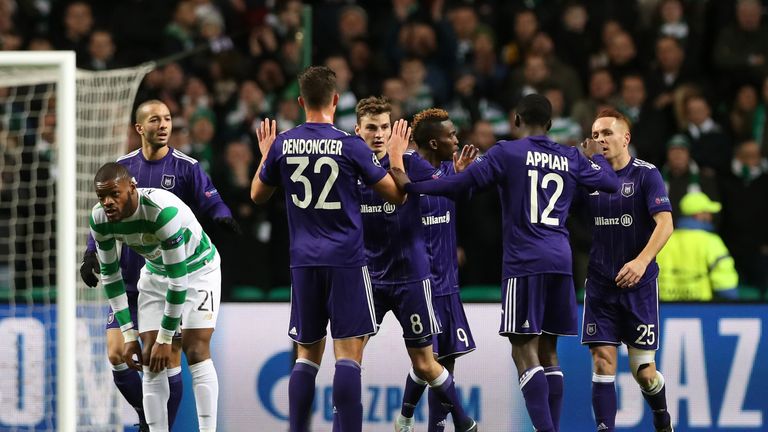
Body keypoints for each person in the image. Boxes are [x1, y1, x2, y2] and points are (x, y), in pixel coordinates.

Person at [390, 94, 620, 432]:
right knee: (549, 351)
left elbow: (459, 184)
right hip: (561, 259)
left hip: (524, 262)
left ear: (515, 119)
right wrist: (592, 158)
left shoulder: (507, 152)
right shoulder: (570, 155)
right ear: (551, 124)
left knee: (522, 349)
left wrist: (411, 184)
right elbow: (611, 183)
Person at [248, 66, 407, 432]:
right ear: (336, 100)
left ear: (301, 101)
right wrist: (396, 155)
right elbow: (396, 196)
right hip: (347, 261)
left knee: (306, 355)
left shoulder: (283, 144)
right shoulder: (349, 144)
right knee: (348, 356)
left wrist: (265, 155)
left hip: (303, 262)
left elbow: (257, 195)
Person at [79, 99, 237, 431]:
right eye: (155, 120)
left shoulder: (179, 179)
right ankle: (149, 423)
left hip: (191, 268)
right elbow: (109, 266)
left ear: (131, 190)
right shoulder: (115, 180)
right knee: (131, 356)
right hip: (145, 272)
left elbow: (210, 203)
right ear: (140, 128)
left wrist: (222, 216)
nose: (164, 125)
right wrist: (91, 251)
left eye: (167, 119)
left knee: (189, 351)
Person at [353, 97, 477, 432]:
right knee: (351, 359)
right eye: (371, 128)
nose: (378, 134)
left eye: (384, 127)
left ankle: (437, 423)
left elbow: (449, 184)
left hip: (420, 277)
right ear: (358, 130)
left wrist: (460, 177)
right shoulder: (355, 165)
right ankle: (397, 419)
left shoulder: (413, 163)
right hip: (372, 277)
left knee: (433, 360)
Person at [89, 162, 221, 432]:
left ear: (132, 188)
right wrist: (128, 335)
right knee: (149, 357)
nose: (108, 203)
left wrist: (165, 337)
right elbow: (111, 278)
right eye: (102, 197)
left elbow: (179, 280)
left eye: (114, 194)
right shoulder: (100, 219)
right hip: (156, 271)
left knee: (195, 349)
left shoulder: (162, 212)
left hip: (198, 269)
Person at [580, 109, 674, 432]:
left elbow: (666, 223)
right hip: (601, 285)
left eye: (606, 133)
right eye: (595, 135)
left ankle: (662, 419)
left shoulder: (647, 175)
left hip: (640, 286)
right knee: (602, 361)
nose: (600, 140)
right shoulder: (589, 176)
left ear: (625, 137)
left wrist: (641, 261)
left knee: (644, 372)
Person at [409, 107, 480, 432]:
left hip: (448, 280)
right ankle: (406, 417)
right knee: (427, 363)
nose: (456, 139)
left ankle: (434, 426)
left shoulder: (454, 168)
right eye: (450, 135)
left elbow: (465, 199)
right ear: (434, 143)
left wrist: (461, 177)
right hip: (421, 283)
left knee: (446, 360)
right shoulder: (406, 170)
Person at [657, 192, 739, 301]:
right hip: (701, 310)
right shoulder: (711, 241)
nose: (710, 216)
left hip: (664, 309)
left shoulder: (663, 240)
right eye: (708, 212)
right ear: (698, 215)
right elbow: (725, 285)